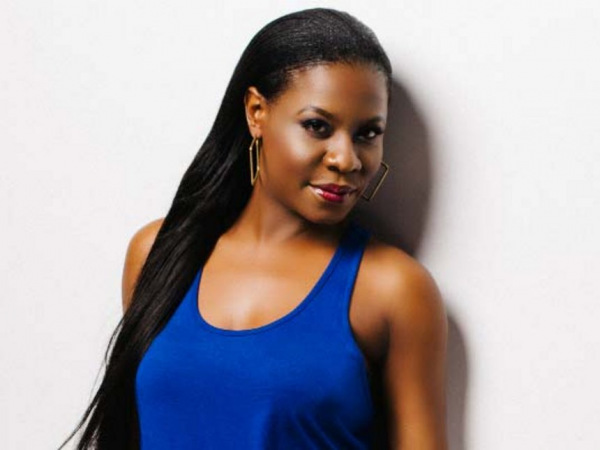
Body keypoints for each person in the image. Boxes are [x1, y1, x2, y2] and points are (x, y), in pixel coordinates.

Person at [61, 7, 448, 450]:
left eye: (367, 134)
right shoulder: (157, 253)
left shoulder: (392, 289)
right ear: (256, 112)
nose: (346, 159)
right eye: (317, 126)